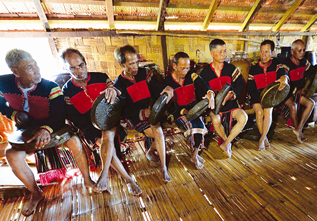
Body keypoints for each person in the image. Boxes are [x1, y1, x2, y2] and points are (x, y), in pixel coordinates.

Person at [0, 49, 94, 216]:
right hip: (26, 131)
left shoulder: (50, 87)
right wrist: (13, 114)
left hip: (53, 126)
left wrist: (45, 129)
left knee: (74, 141)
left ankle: (88, 180)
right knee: (11, 155)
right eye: (30, 67)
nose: (37, 70)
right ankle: (36, 193)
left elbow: (59, 114)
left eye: (36, 64)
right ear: (15, 71)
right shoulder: (1, 83)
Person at [60, 48, 142, 195]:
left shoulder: (101, 77)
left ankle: (104, 175)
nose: (79, 70)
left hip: (111, 120)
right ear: (65, 68)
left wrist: (115, 91)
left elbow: (120, 100)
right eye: (73, 67)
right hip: (89, 127)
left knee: (108, 133)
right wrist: (88, 127)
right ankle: (129, 180)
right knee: (104, 143)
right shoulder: (67, 90)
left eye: (81, 65)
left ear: (85, 63)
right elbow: (73, 116)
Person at [113, 45, 174, 182]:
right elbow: (124, 109)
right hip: (135, 117)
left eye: (137, 62)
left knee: (159, 132)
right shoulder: (119, 84)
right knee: (159, 133)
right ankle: (157, 160)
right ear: (121, 64)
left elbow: (156, 89)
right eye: (131, 64)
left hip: (151, 112)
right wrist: (141, 113)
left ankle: (162, 165)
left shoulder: (145, 73)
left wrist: (166, 89)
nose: (136, 66)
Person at [164, 52, 214, 169]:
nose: (185, 71)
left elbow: (204, 86)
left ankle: (194, 154)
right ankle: (195, 155)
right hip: (177, 113)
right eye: (182, 68)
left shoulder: (192, 76)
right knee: (195, 129)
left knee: (199, 127)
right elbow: (168, 107)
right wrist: (183, 112)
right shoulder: (167, 83)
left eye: (187, 68)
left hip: (193, 111)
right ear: (174, 66)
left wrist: (209, 93)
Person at [199, 39, 248, 157]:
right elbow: (201, 90)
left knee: (243, 117)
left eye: (225, 51)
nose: (223, 55)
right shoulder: (205, 73)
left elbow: (240, 84)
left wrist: (232, 94)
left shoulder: (231, 69)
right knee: (215, 120)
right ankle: (227, 141)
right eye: (220, 52)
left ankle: (226, 143)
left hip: (231, 104)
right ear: (211, 53)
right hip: (215, 107)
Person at [247, 40, 290, 150]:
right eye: (262, 52)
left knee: (268, 109)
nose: (263, 55)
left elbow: (283, 74)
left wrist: (284, 78)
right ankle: (265, 138)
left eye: (266, 52)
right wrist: (258, 100)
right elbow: (250, 88)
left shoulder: (277, 66)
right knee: (259, 111)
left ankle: (261, 139)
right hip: (256, 97)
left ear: (272, 53)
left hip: (270, 98)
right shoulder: (254, 68)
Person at [280, 39, 315, 143]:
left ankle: (298, 129)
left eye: (303, 50)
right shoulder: (285, 64)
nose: (302, 53)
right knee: (293, 106)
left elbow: (312, 73)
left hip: (298, 92)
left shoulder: (304, 62)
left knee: (311, 103)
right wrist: (295, 90)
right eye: (299, 51)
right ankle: (298, 131)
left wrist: (306, 87)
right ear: (292, 51)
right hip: (285, 93)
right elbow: (284, 82)